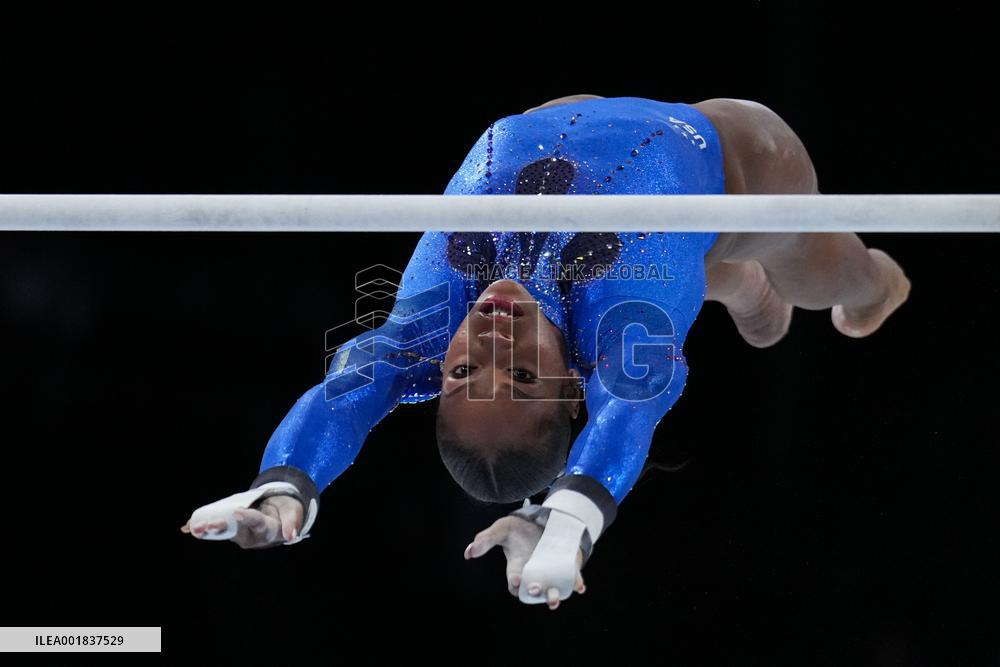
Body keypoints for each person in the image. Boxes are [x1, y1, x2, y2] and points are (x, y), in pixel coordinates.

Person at [181, 95, 911, 609]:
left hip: (571, 129)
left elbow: (350, 392)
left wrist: (287, 484)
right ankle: (768, 278)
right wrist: (572, 515)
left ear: (438, 372)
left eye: (466, 370)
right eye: (522, 373)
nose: (491, 338)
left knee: (668, 269)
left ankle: (726, 282)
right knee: (855, 286)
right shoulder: (620, 342)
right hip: (731, 159)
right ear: (573, 388)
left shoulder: (429, 328)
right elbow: (630, 409)